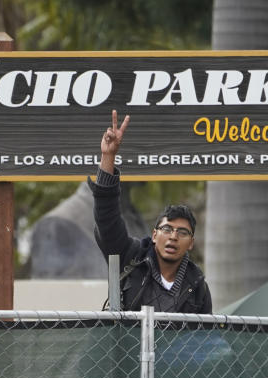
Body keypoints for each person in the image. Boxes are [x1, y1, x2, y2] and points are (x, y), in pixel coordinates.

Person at [89, 110, 212, 314]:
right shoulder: (130, 258)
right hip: (126, 347)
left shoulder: (197, 286)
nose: (173, 237)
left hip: (174, 348)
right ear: (154, 235)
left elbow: (205, 342)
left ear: (191, 243)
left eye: (182, 233)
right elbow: (106, 217)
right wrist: (108, 156)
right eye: (167, 229)